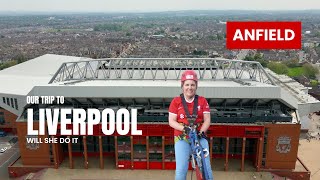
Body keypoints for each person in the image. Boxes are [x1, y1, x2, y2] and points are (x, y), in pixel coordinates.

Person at [168, 70, 213, 180]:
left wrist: (200, 132)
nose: (190, 87)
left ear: (196, 86)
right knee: (181, 169)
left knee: (206, 168)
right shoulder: (176, 101)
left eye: (192, 85)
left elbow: (207, 120)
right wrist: (185, 129)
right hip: (182, 137)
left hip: (199, 136)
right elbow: (171, 121)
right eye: (187, 84)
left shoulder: (202, 101)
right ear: (182, 86)